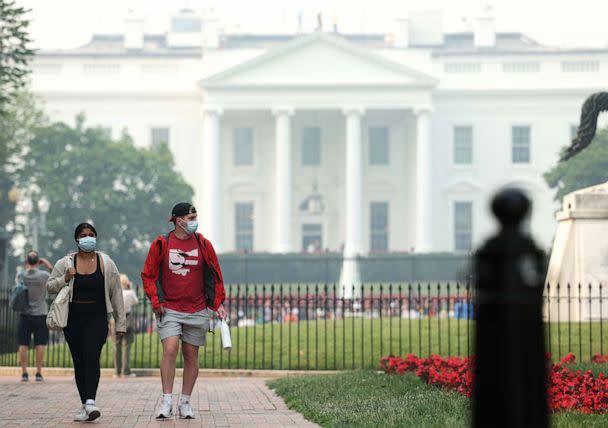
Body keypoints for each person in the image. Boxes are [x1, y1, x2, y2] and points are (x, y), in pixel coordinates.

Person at [141, 202, 226, 420]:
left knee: (191, 355)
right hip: (169, 307)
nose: (194, 221)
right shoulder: (162, 243)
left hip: (197, 308)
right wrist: (155, 300)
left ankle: (185, 402)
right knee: (170, 349)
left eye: (195, 217)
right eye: (191, 218)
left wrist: (218, 304)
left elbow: (215, 274)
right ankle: (166, 401)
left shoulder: (203, 244)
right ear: (179, 220)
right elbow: (148, 274)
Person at [47, 223, 125, 423]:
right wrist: (65, 277)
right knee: (79, 362)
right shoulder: (65, 262)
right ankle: (85, 405)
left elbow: (117, 294)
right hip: (73, 320)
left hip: (98, 318)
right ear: (77, 239)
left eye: (91, 235)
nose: (88, 238)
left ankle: (91, 401)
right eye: (84, 235)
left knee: (91, 356)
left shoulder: (106, 263)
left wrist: (120, 324)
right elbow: (50, 287)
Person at [17, 250, 53, 382]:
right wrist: (48, 265)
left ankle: (24, 373)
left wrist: (28, 266)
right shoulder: (44, 275)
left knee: (23, 344)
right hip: (40, 314)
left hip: (24, 314)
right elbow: (57, 277)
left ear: (27, 262)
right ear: (38, 262)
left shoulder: (21, 275)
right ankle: (38, 373)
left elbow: (18, 287)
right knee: (40, 344)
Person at [113, 274, 139, 377]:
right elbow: (136, 302)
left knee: (117, 346)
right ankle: (126, 371)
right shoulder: (130, 293)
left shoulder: (115, 293)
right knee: (127, 346)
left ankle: (117, 371)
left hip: (117, 319)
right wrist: (131, 288)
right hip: (128, 318)